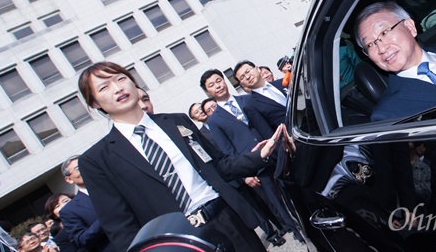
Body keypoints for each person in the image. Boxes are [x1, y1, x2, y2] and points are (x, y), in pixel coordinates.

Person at [77, 62, 286, 252]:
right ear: (94, 103)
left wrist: (259, 155)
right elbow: (121, 227)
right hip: (176, 242)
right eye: (104, 87)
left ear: (133, 83)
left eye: (121, 79)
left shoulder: (177, 123)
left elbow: (221, 165)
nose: (117, 88)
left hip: (228, 220)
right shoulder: (97, 160)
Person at [200, 69, 303, 242]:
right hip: (256, 166)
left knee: (296, 189)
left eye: (219, 80)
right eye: (212, 85)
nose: (218, 86)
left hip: (277, 154)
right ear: (207, 92)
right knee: (279, 203)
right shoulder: (214, 121)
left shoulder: (247, 99)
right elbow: (228, 151)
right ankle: (299, 234)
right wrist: (245, 174)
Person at [354, 0, 436, 122]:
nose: (381, 48)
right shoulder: (389, 115)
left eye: (384, 32)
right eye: (370, 44)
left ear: (410, 27)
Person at [59, 155, 113, 252]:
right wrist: (104, 217)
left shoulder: (112, 185)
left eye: (86, 165)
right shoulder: (70, 211)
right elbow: (82, 240)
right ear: (69, 179)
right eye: (78, 168)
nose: (85, 169)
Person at [234, 60, 287, 130]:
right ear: (242, 84)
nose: (247, 77)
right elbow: (267, 132)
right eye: (242, 77)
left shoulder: (282, 82)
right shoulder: (250, 106)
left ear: (257, 69)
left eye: (248, 71)